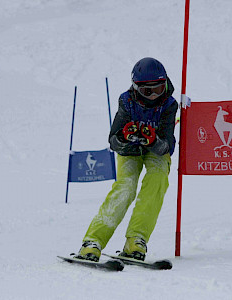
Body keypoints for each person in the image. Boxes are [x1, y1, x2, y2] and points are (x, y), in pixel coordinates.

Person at [76, 57, 178, 262]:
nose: (153, 96)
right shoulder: (126, 100)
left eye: (158, 88)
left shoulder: (169, 103)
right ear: (135, 88)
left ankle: (136, 240)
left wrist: (152, 140)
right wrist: (125, 137)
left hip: (156, 151)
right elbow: (113, 140)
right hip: (131, 150)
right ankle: (92, 241)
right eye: (146, 91)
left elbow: (167, 145)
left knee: (157, 180)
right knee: (126, 186)